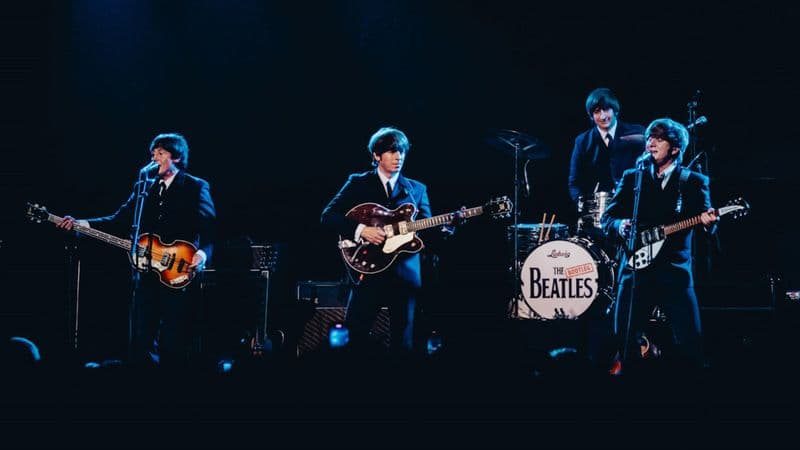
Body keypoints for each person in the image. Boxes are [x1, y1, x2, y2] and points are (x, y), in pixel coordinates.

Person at [57, 133, 216, 369]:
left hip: (178, 272)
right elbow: (119, 218)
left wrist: (202, 255)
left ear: (177, 157)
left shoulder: (195, 186)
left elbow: (210, 229)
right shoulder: (144, 187)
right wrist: (81, 222)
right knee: (142, 336)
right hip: (145, 273)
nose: (154, 158)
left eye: (161, 153)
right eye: (153, 153)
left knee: (174, 338)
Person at [321, 127, 456, 355]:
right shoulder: (358, 183)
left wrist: (446, 228)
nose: (398, 156)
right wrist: (362, 230)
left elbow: (427, 232)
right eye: (392, 151)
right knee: (355, 337)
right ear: (376, 155)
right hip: (368, 270)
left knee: (404, 343)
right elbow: (328, 216)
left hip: (404, 275)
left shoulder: (416, 189)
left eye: (401, 151)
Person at [601, 118, 717, 373]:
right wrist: (621, 225)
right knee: (624, 337)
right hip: (635, 269)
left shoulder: (693, 181)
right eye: (649, 138)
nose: (650, 143)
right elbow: (606, 219)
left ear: (674, 149)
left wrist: (708, 223)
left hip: (673, 271)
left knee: (691, 342)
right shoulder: (634, 178)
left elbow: (709, 227)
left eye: (658, 139)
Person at [568, 87, 646, 207]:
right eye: (597, 111)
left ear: (615, 110)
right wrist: (583, 205)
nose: (603, 116)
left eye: (606, 109)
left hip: (633, 206)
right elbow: (574, 182)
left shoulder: (638, 133)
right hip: (597, 210)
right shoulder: (582, 141)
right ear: (591, 116)